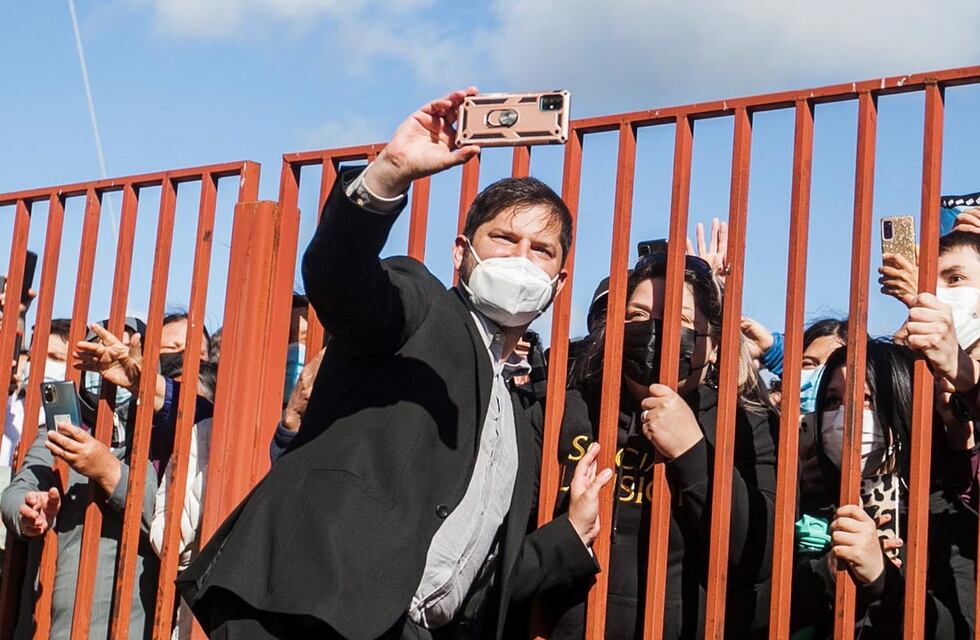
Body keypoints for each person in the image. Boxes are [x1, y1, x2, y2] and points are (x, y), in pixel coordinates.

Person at [176, 88, 612, 640]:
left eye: (541, 249)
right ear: (461, 252)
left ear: (559, 281)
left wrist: (569, 535)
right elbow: (340, 281)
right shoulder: (421, 307)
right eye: (504, 239)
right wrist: (388, 174)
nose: (521, 259)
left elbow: (477, 576)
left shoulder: (517, 422)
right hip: (305, 612)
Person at [547, 250, 779, 639]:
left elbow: (759, 558)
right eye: (638, 316)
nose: (655, 331)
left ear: (715, 345)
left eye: (681, 321)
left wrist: (692, 450)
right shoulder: (565, 408)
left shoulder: (747, 426)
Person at [790, 339, 976, 638]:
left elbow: (961, 629)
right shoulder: (807, 505)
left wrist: (882, 579)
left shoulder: (946, 519)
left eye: (867, 399)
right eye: (833, 401)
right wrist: (826, 573)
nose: (845, 414)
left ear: (904, 406)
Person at [0, 320, 161, 640]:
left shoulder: (161, 441)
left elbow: (163, 519)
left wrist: (106, 469)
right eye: (97, 355)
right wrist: (28, 511)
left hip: (132, 628)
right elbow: (18, 489)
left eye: (122, 353)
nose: (109, 367)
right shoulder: (61, 434)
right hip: (54, 627)